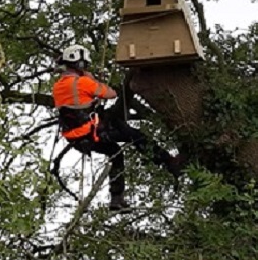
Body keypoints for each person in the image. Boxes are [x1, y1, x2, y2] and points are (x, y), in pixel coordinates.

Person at [52, 44, 184, 212]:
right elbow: (111, 93)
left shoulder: (57, 87)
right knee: (134, 134)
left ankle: (116, 199)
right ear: (79, 64)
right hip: (92, 133)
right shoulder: (84, 82)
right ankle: (168, 161)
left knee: (116, 153)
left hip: (76, 139)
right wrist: (92, 79)